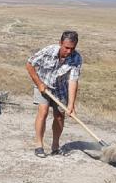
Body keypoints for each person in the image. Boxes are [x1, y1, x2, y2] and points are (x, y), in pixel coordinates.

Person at [25, 30, 83, 158]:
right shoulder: (48, 51)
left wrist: (71, 105)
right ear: (60, 43)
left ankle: (55, 146)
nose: (69, 51)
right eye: (66, 47)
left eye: (72, 48)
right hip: (42, 85)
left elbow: (73, 81)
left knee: (59, 117)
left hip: (60, 89)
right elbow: (29, 64)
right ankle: (39, 145)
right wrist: (39, 83)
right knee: (43, 111)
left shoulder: (76, 58)